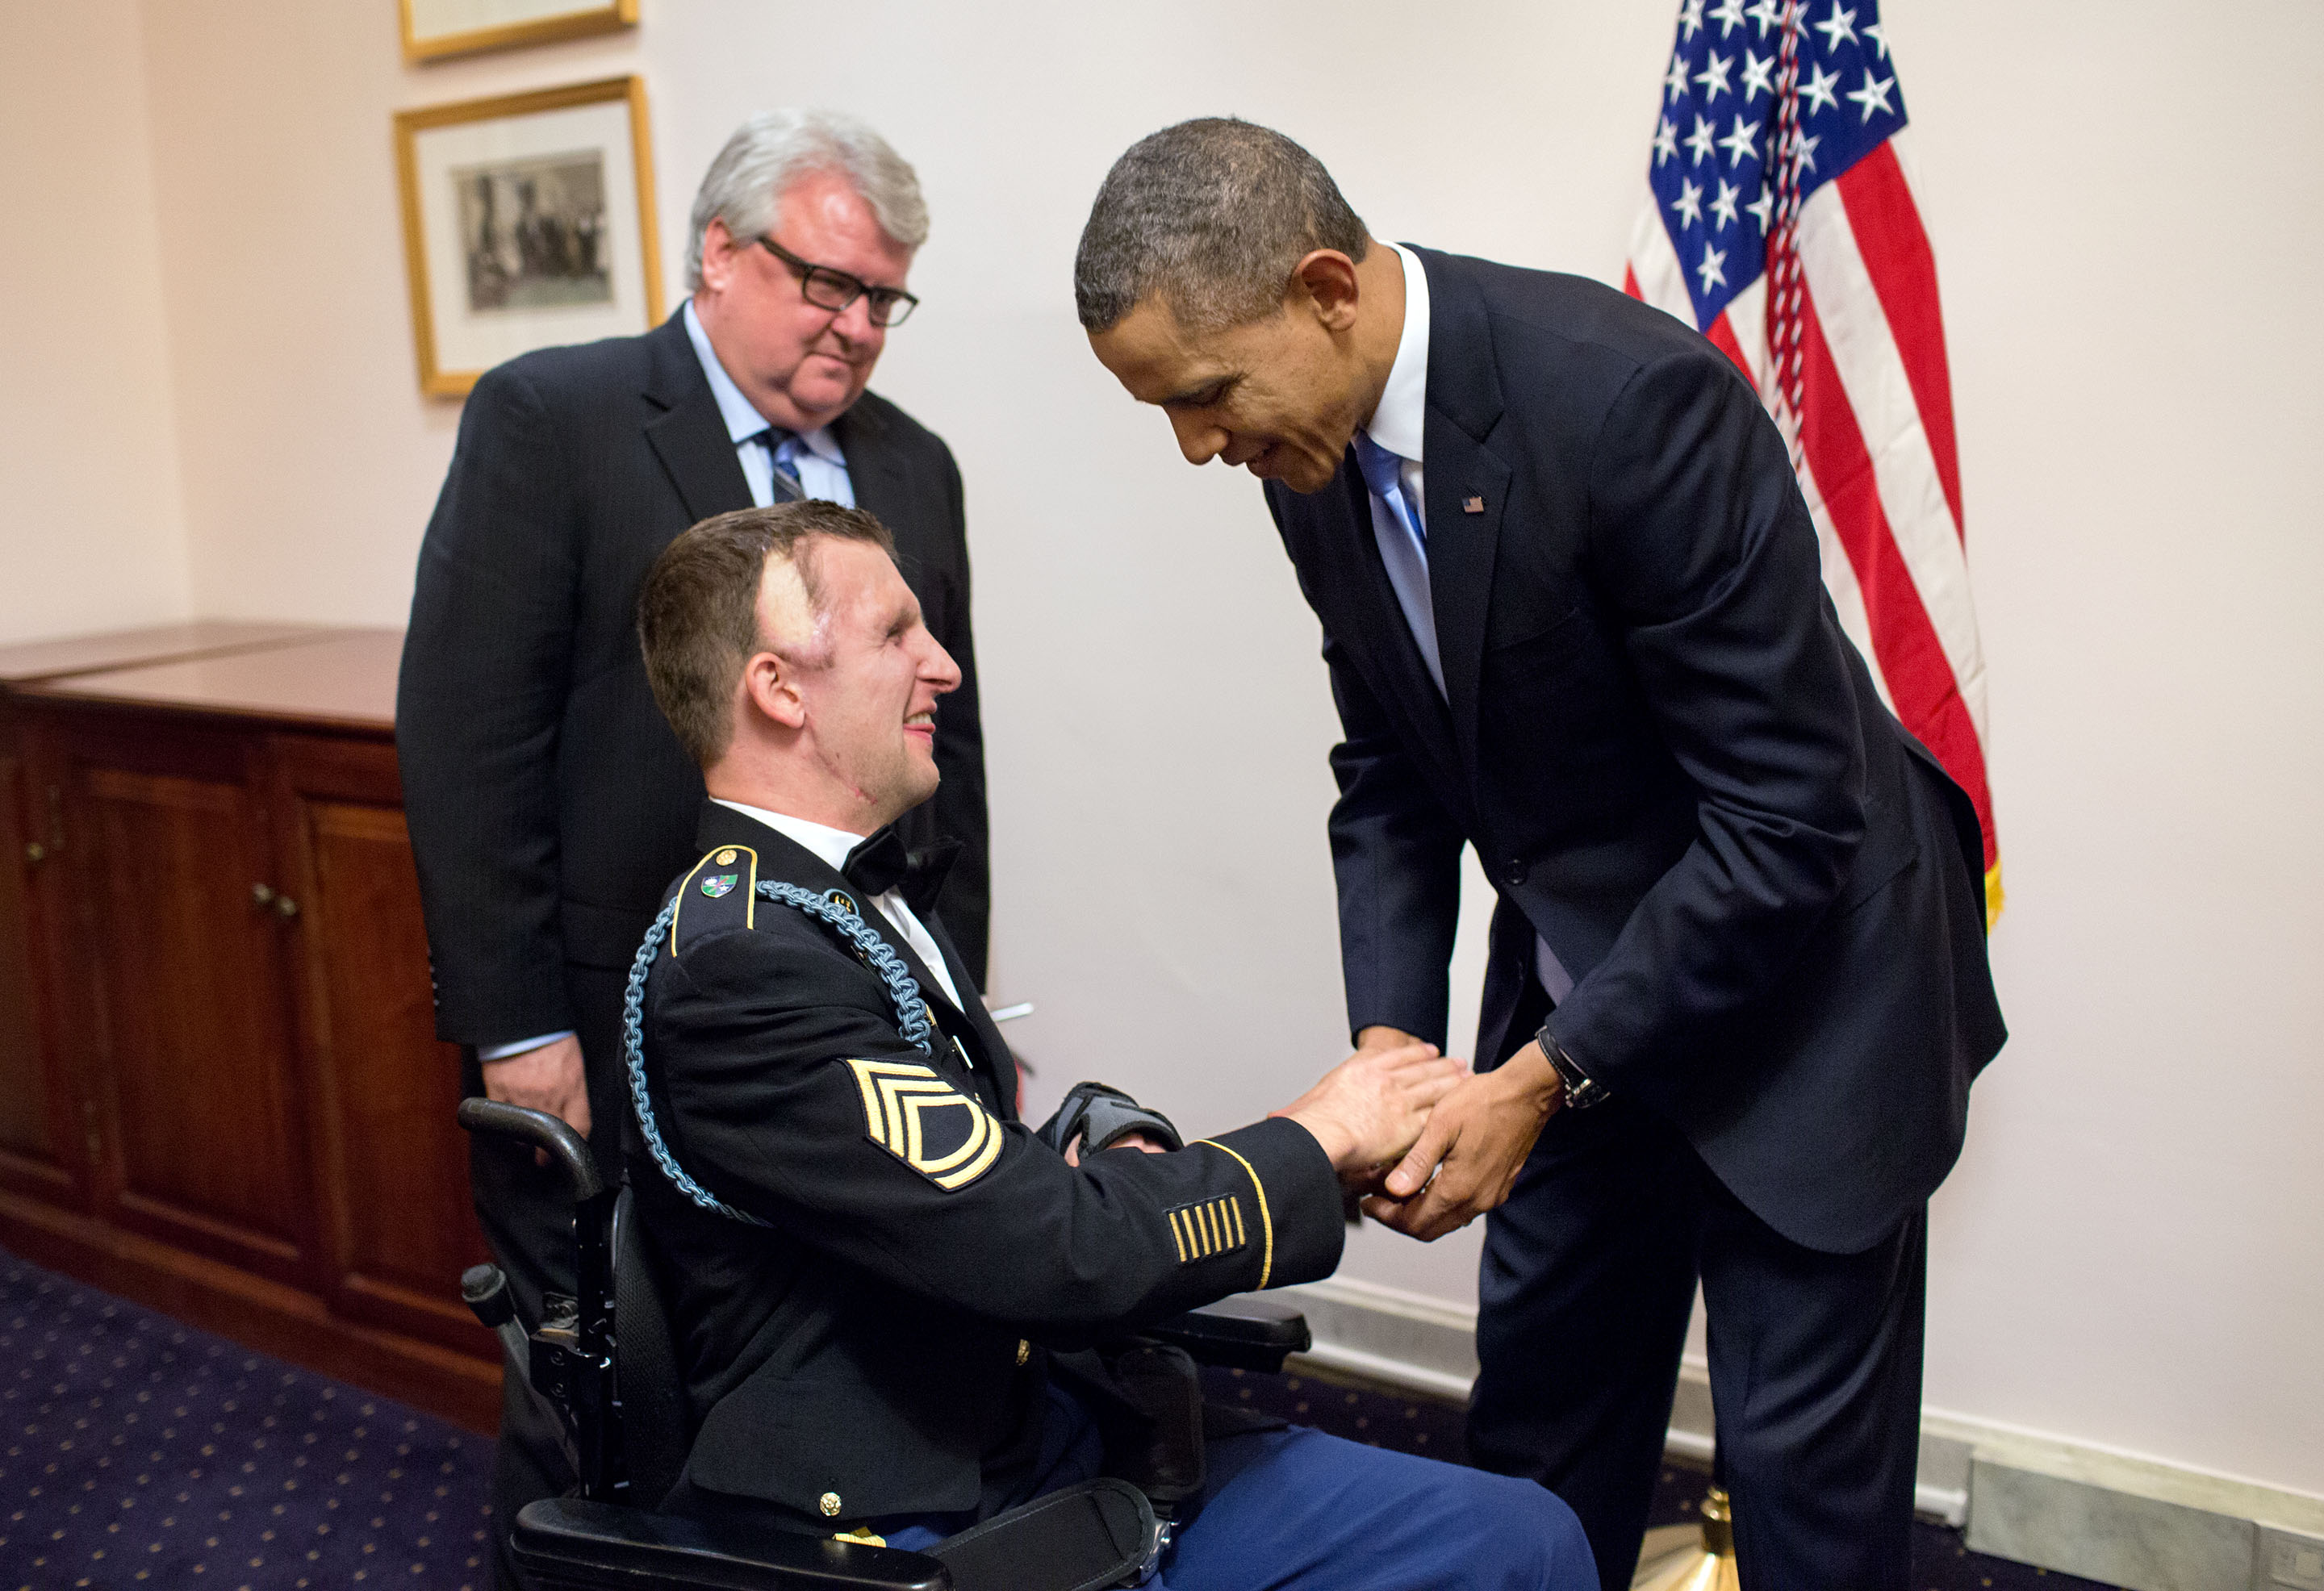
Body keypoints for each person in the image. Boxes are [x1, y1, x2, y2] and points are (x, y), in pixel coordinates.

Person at [1076, 119, 2006, 1591]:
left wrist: (1539, 1077)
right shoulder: (1302, 450)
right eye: (1164, 414)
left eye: (1205, 397)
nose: (1200, 447)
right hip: (1585, 980)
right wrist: (1396, 1050)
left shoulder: (1632, 403)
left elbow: (1790, 815)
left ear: (1327, 289)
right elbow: (1389, 766)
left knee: (1803, 1505)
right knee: (1535, 1465)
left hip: (1813, 984)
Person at [622, 500, 1594, 1590]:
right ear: (781, 689)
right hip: (911, 1516)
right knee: (1519, 1549)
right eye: (896, 634)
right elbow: (1049, 1252)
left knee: (1524, 1535)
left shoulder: (831, 904)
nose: (941, 665)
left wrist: (1086, 1167)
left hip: (1028, 1417)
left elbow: (947, 1197)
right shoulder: (741, 963)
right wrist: (1319, 1138)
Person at [395, 109, 989, 1581]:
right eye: (827, 284)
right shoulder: (559, 418)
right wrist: (519, 1026)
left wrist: (961, 1007)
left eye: (884, 300)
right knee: (594, 1383)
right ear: (719, 253)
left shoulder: (912, 466)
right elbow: (468, 740)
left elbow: (947, 758)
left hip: (844, 1021)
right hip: (600, 1013)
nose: (857, 327)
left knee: (808, 1366)